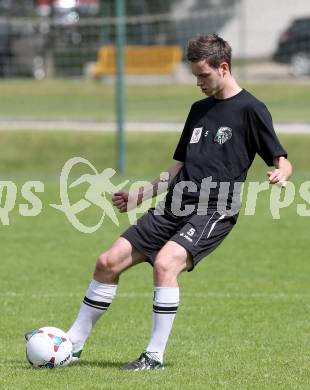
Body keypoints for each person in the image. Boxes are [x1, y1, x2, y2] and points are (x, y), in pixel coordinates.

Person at [30, 34, 293, 371]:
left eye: (203, 75)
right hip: (174, 205)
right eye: (195, 75)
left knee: (165, 264)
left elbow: (281, 159)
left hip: (215, 208)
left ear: (223, 67)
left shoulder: (251, 109)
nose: (198, 82)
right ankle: (73, 345)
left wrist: (280, 173)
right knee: (107, 262)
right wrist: (140, 195)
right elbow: (180, 167)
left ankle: (153, 356)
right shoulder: (199, 110)